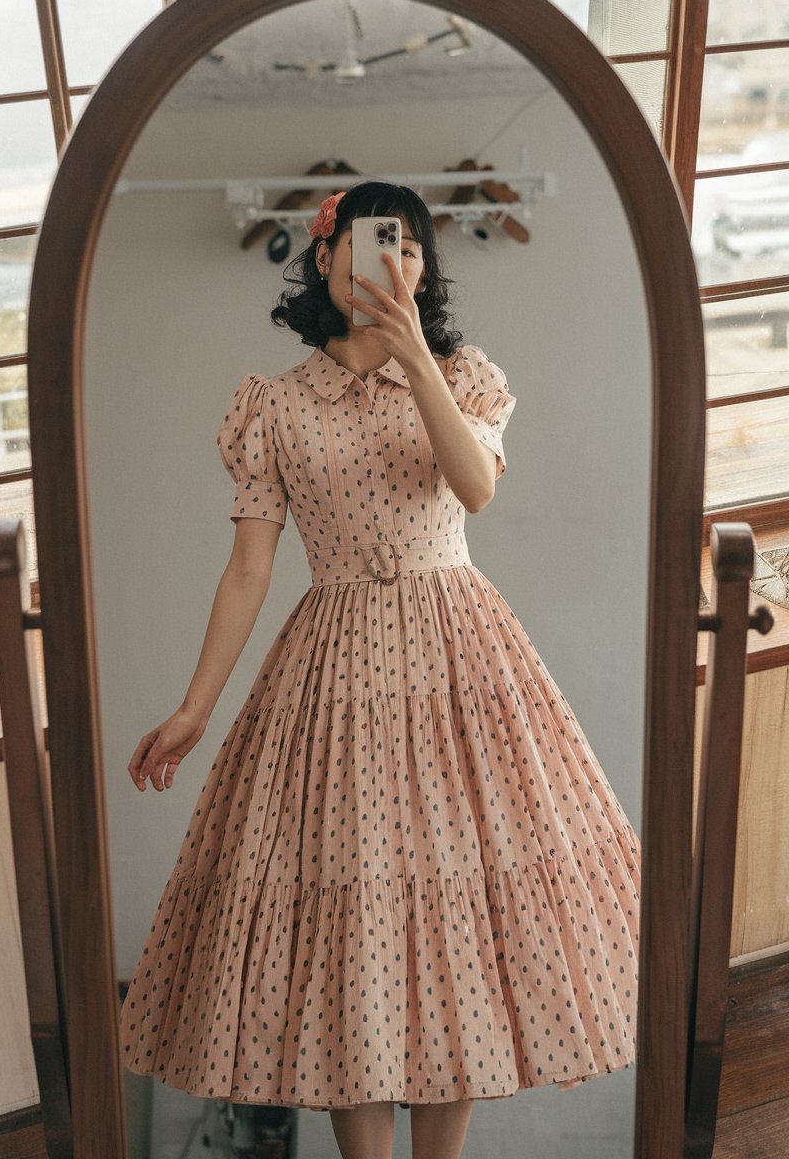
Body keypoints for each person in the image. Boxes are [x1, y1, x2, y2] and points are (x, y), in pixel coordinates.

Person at [121, 181, 641, 1159]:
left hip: (462, 665)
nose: (386, 265)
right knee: (347, 935)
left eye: (407, 250)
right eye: (365, 246)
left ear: (421, 268)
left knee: (465, 931)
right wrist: (195, 706)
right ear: (324, 261)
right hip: (336, 674)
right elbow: (247, 568)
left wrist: (414, 360)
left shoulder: (464, 375)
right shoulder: (272, 406)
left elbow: (476, 488)